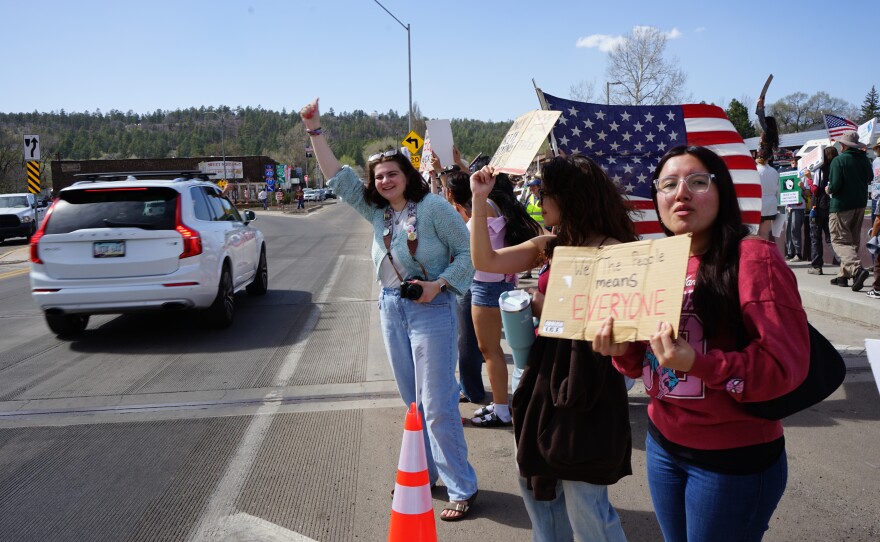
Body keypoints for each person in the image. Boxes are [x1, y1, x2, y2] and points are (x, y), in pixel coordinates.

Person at [594, 145, 810, 542]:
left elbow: (785, 368)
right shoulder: (653, 262)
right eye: (669, 184)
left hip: (731, 461)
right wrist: (621, 351)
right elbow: (643, 362)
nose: (681, 193)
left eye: (697, 182)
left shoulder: (753, 258)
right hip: (662, 446)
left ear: (722, 191)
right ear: (656, 198)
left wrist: (699, 363)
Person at [299, 98, 478, 521]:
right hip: (391, 310)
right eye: (378, 176)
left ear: (407, 175)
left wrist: (438, 285)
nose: (384, 181)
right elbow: (337, 179)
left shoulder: (433, 208)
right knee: (413, 403)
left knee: (437, 404)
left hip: (430, 312)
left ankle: (461, 486)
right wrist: (314, 130)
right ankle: (428, 473)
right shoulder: (377, 211)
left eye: (392, 173)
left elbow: (467, 255)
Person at [470, 155, 635, 541]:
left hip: (590, 380)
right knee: (535, 483)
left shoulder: (615, 250)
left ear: (571, 197)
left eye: (544, 193)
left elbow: (628, 327)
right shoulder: (551, 243)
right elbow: (485, 260)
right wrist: (479, 200)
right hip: (543, 374)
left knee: (586, 501)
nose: (537, 201)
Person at [448, 170, 542, 426]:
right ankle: (502, 402)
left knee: (490, 350)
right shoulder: (499, 207)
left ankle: (501, 408)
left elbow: (469, 245)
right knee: (497, 349)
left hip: (486, 285)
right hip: (500, 281)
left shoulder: (485, 206)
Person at [443, 170, 487, 404]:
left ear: (450, 193)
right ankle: (471, 387)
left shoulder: (467, 215)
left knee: (467, 340)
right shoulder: (482, 205)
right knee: (479, 343)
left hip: (471, 282)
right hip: (486, 281)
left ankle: (471, 390)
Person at [827, 131, 873, 291]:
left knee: (839, 240)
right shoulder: (865, 160)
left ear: (844, 145)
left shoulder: (838, 161)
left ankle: (857, 269)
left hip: (841, 205)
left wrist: (828, 189)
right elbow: (870, 178)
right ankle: (843, 276)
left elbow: (834, 185)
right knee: (852, 241)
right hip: (860, 204)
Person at [783, 157, 807, 262]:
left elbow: (808, 193)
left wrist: (802, 187)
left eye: (796, 162)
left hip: (799, 206)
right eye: (792, 162)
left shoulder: (803, 176)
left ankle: (798, 253)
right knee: (788, 230)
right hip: (789, 206)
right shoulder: (787, 174)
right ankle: (790, 252)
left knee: (795, 229)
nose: (794, 164)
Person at [756, 156, 779, 240]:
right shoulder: (774, 171)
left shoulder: (755, 170)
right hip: (771, 205)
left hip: (758, 204)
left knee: (755, 234)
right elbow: (778, 190)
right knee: (765, 234)